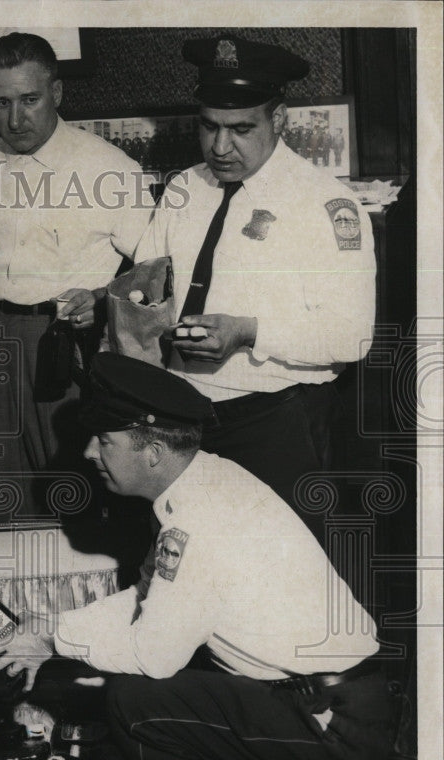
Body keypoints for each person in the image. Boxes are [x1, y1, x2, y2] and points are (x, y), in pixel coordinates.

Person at [0, 353, 398, 760]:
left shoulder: (197, 520)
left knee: (136, 702)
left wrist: (53, 642)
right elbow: (147, 597)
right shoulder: (205, 481)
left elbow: (154, 657)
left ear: (154, 453)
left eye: (104, 441)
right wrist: (50, 630)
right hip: (327, 700)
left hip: (334, 725)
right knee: (141, 696)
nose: (89, 452)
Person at [133, 35, 376, 515]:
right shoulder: (185, 187)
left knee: (283, 572)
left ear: (279, 119)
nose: (220, 146)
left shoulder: (325, 204)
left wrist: (250, 332)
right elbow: (145, 284)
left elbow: (353, 336)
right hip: (181, 416)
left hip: (277, 419)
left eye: (241, 129)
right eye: (209, 127)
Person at [0, 32, 153, 520]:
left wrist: (102, 297)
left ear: (56, 93)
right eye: (1, 102)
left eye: (29, 100)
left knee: (73, 494)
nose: (16, 119)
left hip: (71, 344)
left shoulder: (108, 168)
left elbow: (156, 270)